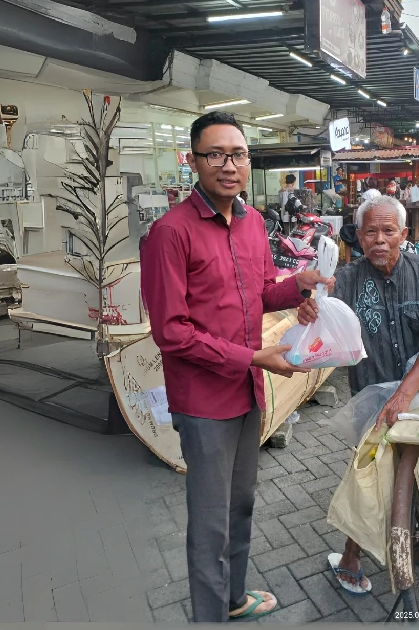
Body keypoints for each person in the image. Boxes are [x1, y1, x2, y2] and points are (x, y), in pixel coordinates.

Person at [141, 111, 334, 622]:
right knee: (210, 522)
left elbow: (262, 291)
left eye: (239, 154)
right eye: (216, 155)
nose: (229, 165)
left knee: (240, 505)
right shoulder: (170, 233)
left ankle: (231, 598)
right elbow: (172, 332)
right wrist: (252, 356)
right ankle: (208, 615)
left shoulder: (251, 224)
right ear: (194, 161)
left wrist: (301, 287)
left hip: (249, 391)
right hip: (204, 401)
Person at [296, 194, 419, 595]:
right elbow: (319, 329)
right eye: (371, 231)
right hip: (370, 398)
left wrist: (404, 394)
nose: (380, 240)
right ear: (359, 236)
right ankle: (352, 559)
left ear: (405, 234)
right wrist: (308, 311)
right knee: (369, 477)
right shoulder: (347, 281)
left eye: (389, 231)